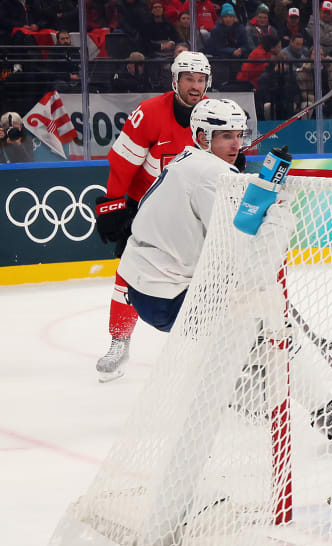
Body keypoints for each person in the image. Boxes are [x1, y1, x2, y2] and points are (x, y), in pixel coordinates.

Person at [93, 51, 212, 383]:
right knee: (129, 272)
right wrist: (114, 206)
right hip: (146, 209)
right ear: (175, 80)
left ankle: (211, 350)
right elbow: (122, 166)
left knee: (208, 278)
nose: (195, 86)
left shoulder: (212, 114)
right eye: (188, 79)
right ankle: (119, 342)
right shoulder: (148, 114)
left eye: (200, 80)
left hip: (191, 213)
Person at [115, 98, 246, 333]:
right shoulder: (215, 172)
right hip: (169, 298)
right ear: (203, 138)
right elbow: (235, 238)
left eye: (239, 135)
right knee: (258, 301)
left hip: (139, 286)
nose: (236, 145)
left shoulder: (185, 156)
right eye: (227, 136)